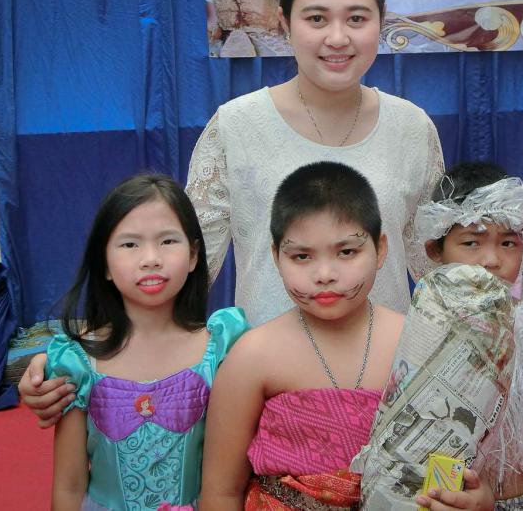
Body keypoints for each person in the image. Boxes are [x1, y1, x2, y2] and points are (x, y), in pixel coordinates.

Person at [18, 0, 444, 424]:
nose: (337, 37)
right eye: (316, 18)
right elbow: (178, 268)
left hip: (388, 393)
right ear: (284, 22)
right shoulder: (237, 127)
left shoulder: (412, 129)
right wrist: (78, 355)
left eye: (357, 18)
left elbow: (439, 273)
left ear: (381, 22)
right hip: (268, 395)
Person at [199, 161, 495, 510]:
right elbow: (221, 492)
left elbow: (463, 469)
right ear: (277, 256)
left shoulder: (426, 344)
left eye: (347, 252)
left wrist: (478, 500)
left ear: (380, 249)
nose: (325, 273)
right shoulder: (253, 355)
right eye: (302, 256)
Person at [46, 174, 249, 510]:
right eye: (130, 245)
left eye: (168, 241)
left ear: (194, 255)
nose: (151, 258)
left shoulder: (220, 350)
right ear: (104, 264)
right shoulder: (77, 361)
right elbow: (69, 486)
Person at [415, 161, 523, 511]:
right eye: (471, 242)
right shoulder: (422, 338)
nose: (491, 260)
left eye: (508, 243)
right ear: (436, 250)